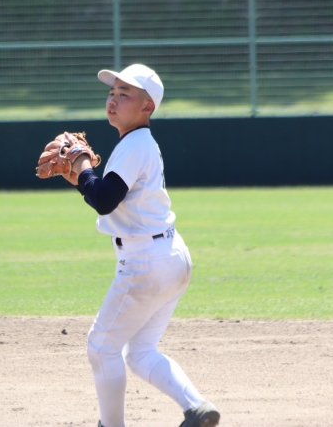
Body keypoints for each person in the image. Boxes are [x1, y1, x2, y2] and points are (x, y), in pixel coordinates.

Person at [63, 64, 220, 427]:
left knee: (102, 347)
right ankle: (196, 407)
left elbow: (105, 200)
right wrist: (83, 179)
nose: (113, 99)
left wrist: (83, 167)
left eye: (125, 94)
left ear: (147, 106)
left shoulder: (134, 144)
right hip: (171, 256)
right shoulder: (139, 144)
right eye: (112, 92)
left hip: (145, 262)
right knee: (140, 352)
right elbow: (105, 195)